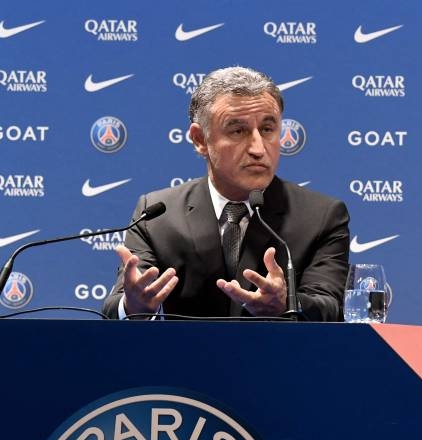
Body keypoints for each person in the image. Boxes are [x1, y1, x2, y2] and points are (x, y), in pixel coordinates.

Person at [102, 66, 349, 321]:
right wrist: (133, 306)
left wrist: (286, 304)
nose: (257, 148)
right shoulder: (157, 214)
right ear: (200, 139)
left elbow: (331, 306)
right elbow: (116, 306)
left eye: (267, 129)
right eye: (238, 131)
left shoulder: (321, 216)